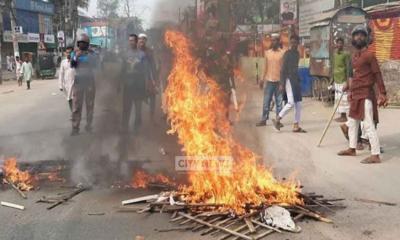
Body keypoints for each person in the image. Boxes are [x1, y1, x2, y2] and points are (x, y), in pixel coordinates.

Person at [338, 25, 387, 164]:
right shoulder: (354, 57)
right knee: (353, 122)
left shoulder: (370, 55)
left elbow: (377, 74)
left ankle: (375, 154)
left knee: (368, 124)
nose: (359, 37)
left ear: (366, 39)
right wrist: (349, 90)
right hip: (355, 93)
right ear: (353, 38)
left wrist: (382, 93)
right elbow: (353, 77)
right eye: (356, 35)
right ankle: (352, 148)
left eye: (362, 35)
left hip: (366, 94)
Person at [273, 35, 306, 133]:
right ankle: (278, 119)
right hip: (288, 80)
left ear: (298, 43)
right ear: (290, 43)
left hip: (295, 80)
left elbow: (295, 68)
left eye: (295, 42)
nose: (293, 44)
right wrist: (282, 83)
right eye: (292, 42)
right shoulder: (287, 54)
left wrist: (298, 79)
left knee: (298, 104)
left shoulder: (297, 53)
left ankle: (296, 126)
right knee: (291, 102)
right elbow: (282, 70)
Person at [120, 34, 150, 133]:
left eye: (132, 40)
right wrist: (119, 84)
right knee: (126, 108)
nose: (131, 42)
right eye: (129, 40)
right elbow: (122, 70)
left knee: (138, 109)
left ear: (137, 41)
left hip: (138, 85)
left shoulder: (142, 55)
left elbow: (146, 71)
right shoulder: (125, 54)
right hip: (128, 85)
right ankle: (124, 128)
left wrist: (147, 86)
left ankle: (136, 129)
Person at [70, 33, 98, 136]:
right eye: (80, 43)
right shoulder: (74, 54)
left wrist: (88, 55)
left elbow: (95, 64)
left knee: (90, 104)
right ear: (78, 43)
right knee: (77, 105)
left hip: (89, 81)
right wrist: (76, 57)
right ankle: (75, 127)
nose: (82, 45)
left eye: (84, 43)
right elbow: (72, 65)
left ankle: (89, 125)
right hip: (79, 81)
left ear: (87, 44)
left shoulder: (92, 54)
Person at [256, 34, 284, 127]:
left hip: (279, 81)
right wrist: (261, 79)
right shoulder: (267, 53)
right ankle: (264, 119)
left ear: (279, 41)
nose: (274, 42)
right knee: (266, 101)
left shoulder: (283, 53)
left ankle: (278, 120)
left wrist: (283, 83)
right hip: (269, 80)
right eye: (273, 40)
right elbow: (265, 67)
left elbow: (284, 69)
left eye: (276, 40)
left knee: (279, 102)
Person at [138, 33, 158, 121]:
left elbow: (153, 65)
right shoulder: (134, 51)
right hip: (137, 78)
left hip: (148, 77)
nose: (142, 41)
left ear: (146, 41)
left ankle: (152, 117)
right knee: (137, 99)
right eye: (140, 39)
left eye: (143, 39)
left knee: (153, 96)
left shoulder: (149, 51)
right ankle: (137, 119)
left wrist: (155, 78)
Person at [331, 37, 351, 123]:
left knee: (344, 98)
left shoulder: (346, 54)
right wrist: (332, 80)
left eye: (341, 43)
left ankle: (345, 116)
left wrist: (347, 81)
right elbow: (333, 67)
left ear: (343, 44)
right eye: (338, 43)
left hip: (343, 80)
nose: (339, 45)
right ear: (336, 44)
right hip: (336, 79)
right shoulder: (334, 54)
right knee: (338, 98)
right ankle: (341, 115)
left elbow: (348, 68)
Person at [59, 46, 75, 112]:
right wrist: (60, 85)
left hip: (75, 83)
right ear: (65, 53)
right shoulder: (63, 62)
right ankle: (72, 112)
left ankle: (75, 112)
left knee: (75, 99)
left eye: (70, 52)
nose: (68, 54)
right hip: (66, 84)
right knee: (69, 98)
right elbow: (61, 74)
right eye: (67, 52)